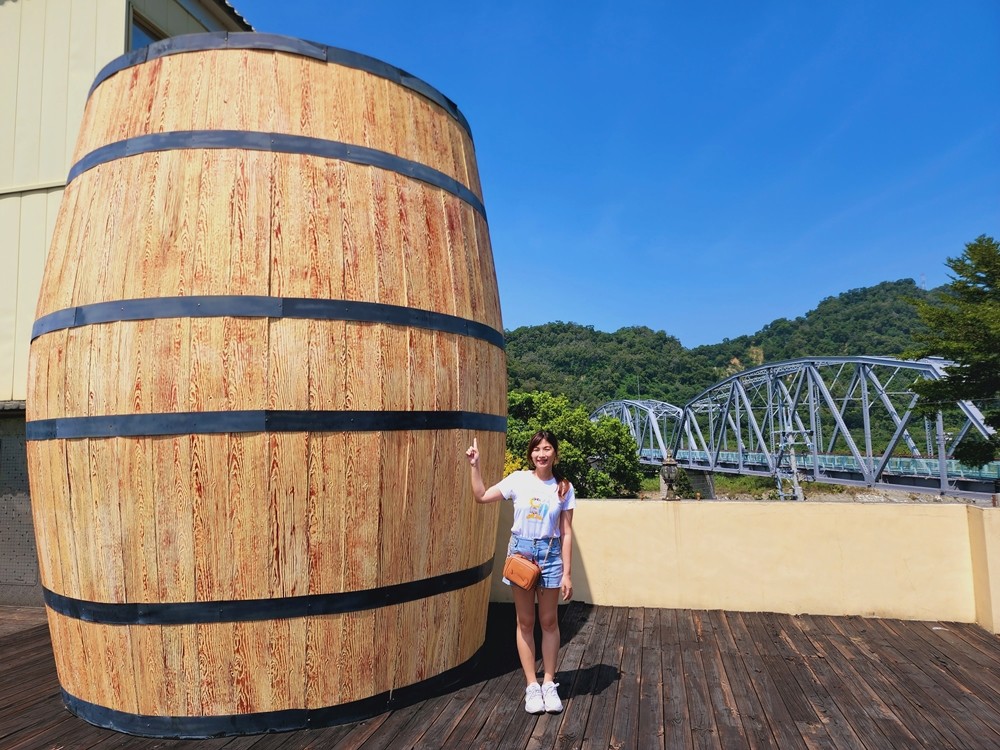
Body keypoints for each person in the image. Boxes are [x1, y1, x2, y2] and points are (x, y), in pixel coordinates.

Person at [466, 430, 575, 715]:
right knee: (525, 622)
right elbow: (481, 496)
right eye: (537, 449)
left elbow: (566, 532)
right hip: (521, 555)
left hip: (550, 555)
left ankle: (549, 682)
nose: (542, 453)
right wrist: (475, 465)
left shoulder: (563, 487)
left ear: (555, 453)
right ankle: (531, 686)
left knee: (549, 621)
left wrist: (567, 573)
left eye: (548, 448)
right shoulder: (518, 479)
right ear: (531, 453)